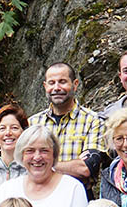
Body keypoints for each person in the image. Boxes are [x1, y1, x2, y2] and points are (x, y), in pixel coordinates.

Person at [28, 62, 107, 199]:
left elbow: (86, 168)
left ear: (75, 84)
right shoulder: (33, 123)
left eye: (62, 82)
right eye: (51, 83)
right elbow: (22, 165)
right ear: (45, 86)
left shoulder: (93, 121)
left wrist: (40, 165)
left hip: (78, 197)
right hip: (39, 197)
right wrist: (70, 165)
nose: (56, 88)